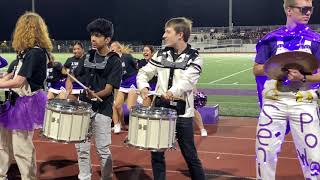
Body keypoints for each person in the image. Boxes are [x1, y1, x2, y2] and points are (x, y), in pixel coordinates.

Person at [253, 0, 320, 179]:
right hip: (274, 102)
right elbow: (257, 69)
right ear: (289, 10)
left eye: (310, 9)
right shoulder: (271, 39)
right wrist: (277, 66)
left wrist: (303, 77)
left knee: (313, 156)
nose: (308, 13)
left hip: (304, 102)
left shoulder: (316, 40)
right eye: (304, 9)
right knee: (264, 154)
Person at [137, 17, 205, 180]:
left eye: (168, 32)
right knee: (157, 154)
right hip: (160, 111)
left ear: (180, 35)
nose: (164, 36)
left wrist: (171, 92)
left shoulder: (195, 58)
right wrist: (143, 86)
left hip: (182, 115)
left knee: (190, 156)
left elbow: (187, 81)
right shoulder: (160, 54)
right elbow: (143, 73)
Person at [0, 12, 52, 180]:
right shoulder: (26, 52)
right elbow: (12, 76)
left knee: (21, 147)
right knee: (3, 143)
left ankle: (28, 178)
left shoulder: (35, 53)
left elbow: (18, 82)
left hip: (25, 103)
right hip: (15, 102)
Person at [71, 18, 122, 180]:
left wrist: (95, 95)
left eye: (98, 35)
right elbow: (75, 76)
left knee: (102, 149)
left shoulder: (115, 60)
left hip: (103, 110)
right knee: (82, 147)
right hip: (84, 108)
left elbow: (108, 89)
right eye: (92, 35)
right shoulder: (88, 56)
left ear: (107, 39)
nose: (93, 39)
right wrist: (68, 83)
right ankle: (84, 176)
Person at [110, 41, 138, 133]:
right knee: (116, 105)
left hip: (132, 82)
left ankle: (134, 128)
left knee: (130, 108)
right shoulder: (113, 60)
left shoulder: (127, 57)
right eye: (110, 48)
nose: (111, 49)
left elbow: (136, 67)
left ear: (119, 49)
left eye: (113, 48)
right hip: (123, 84)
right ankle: (118, 124)